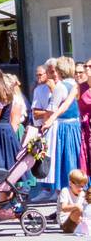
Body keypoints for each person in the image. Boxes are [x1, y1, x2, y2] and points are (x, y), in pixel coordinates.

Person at [43, 56, 83, 189]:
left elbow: (52, 109)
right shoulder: (76, 85)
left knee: (65, 159)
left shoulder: (60, 86)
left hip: (63, 127)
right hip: (76, 126)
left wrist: (46, 122)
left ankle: (65, 189)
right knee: (77, 156)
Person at [58, 169, 89, 234]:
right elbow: (64, 208)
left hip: (79, 222)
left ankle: (83, 226)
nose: (80, 189)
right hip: (66, 223)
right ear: (70, 183)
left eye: (82, 186)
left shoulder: (82, 193)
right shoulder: (65, 191)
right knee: (78, 209)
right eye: (78, 186)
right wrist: (76, 206)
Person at [77, 58, 91, 174]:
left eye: (90, 66)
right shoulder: (80, 87)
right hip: (85, 128)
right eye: (86, 66)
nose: (87, 68)